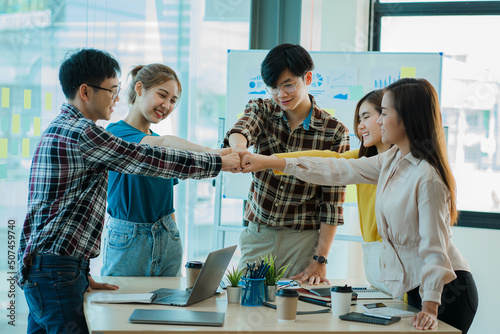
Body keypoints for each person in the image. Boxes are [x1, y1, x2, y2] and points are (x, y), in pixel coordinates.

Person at [16, 48, 240, 334]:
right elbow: (146, 158)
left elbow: (49, 216)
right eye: (111, 90)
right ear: (86, 92)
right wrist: (218, 161)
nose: (116, 98)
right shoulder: (84, 133)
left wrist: (80, 273)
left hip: (50, 267)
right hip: (56, 270)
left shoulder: (60, 129)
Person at [241, 78, 478, 332]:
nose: (376, 122)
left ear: (407, 118)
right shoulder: (392, 160)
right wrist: (272, 162)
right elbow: (337, 167)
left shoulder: (428, 177)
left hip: (445, 292)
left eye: (383, 113)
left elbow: (435, 249)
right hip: (419, 290)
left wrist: (430, 306)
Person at [223, 43, 350, 284]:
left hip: (302, 241)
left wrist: (320, 259)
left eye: (288, 84)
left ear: (308, 78)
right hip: (258, 234)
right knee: (247, 307)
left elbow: (332, 202)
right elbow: (243, 128)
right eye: (273, 87)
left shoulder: (334, 132)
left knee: (295, 312)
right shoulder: (262, 108)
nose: (281, 94)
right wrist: (239, 149)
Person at [101, 64, 230, 277]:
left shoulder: (162, 145)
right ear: (140, 89)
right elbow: (161, 143)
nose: (167, 105)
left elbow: (167, 204)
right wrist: (212, 153)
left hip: (167, 233)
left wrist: (173, 238)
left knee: (167, 304)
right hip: (129, 237)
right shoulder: (116, 134)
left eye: (173, 101)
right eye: (163, 95)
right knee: (120, 305)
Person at [273, 89, 391, 293]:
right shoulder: (364, 158)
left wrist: (268, 161)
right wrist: (270, 161)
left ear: (387, 116)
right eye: (358, 119)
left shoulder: (403, 164)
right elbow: (329, 159)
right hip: (380, 272)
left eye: (366, 117)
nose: (360, 126)